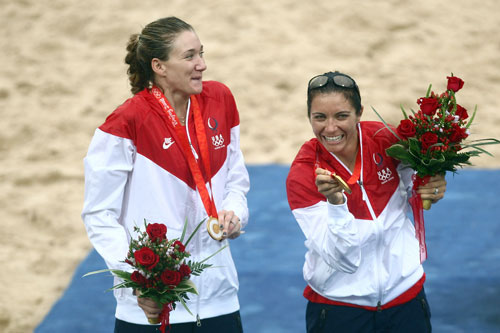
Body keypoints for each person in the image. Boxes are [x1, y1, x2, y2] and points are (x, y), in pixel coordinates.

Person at [81, 16, 249, 332]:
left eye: (201, 53)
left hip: (220, 300)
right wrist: (139, 282)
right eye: (189, 56)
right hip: (154, 307)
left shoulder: (221, 100)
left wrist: (235, 214)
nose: (202, 64)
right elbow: (99, 214)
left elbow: (236, 179)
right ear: (159, 66)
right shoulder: (125, 122)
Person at [286, 71, 447, 332]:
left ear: (359, 113)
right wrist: (336, 204)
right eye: (319, 117)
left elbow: (416, 189)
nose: (330, 128)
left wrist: (433, 185)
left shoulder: (386, 140)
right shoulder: (304, 175)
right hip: (340, 308)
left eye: (341, 116)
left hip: (405, 299)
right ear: (309, 118)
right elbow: (344, 261)